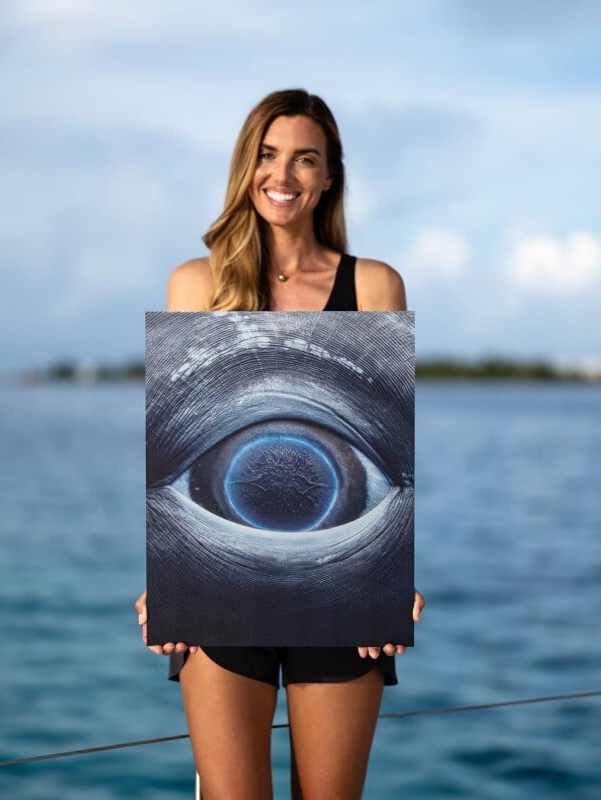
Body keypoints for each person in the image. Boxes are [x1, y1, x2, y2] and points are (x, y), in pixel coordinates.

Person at [135, 88, 425, 800]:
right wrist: (167, 580)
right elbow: (177, 449)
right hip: (216, 591)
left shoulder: (375, 285)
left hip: (347, 596)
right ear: (246, 166)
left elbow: (392, 457)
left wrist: (391, 576)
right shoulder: (195, 283)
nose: (284, 176)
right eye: (268, 156)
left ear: (330, 177)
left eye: (305, 159)